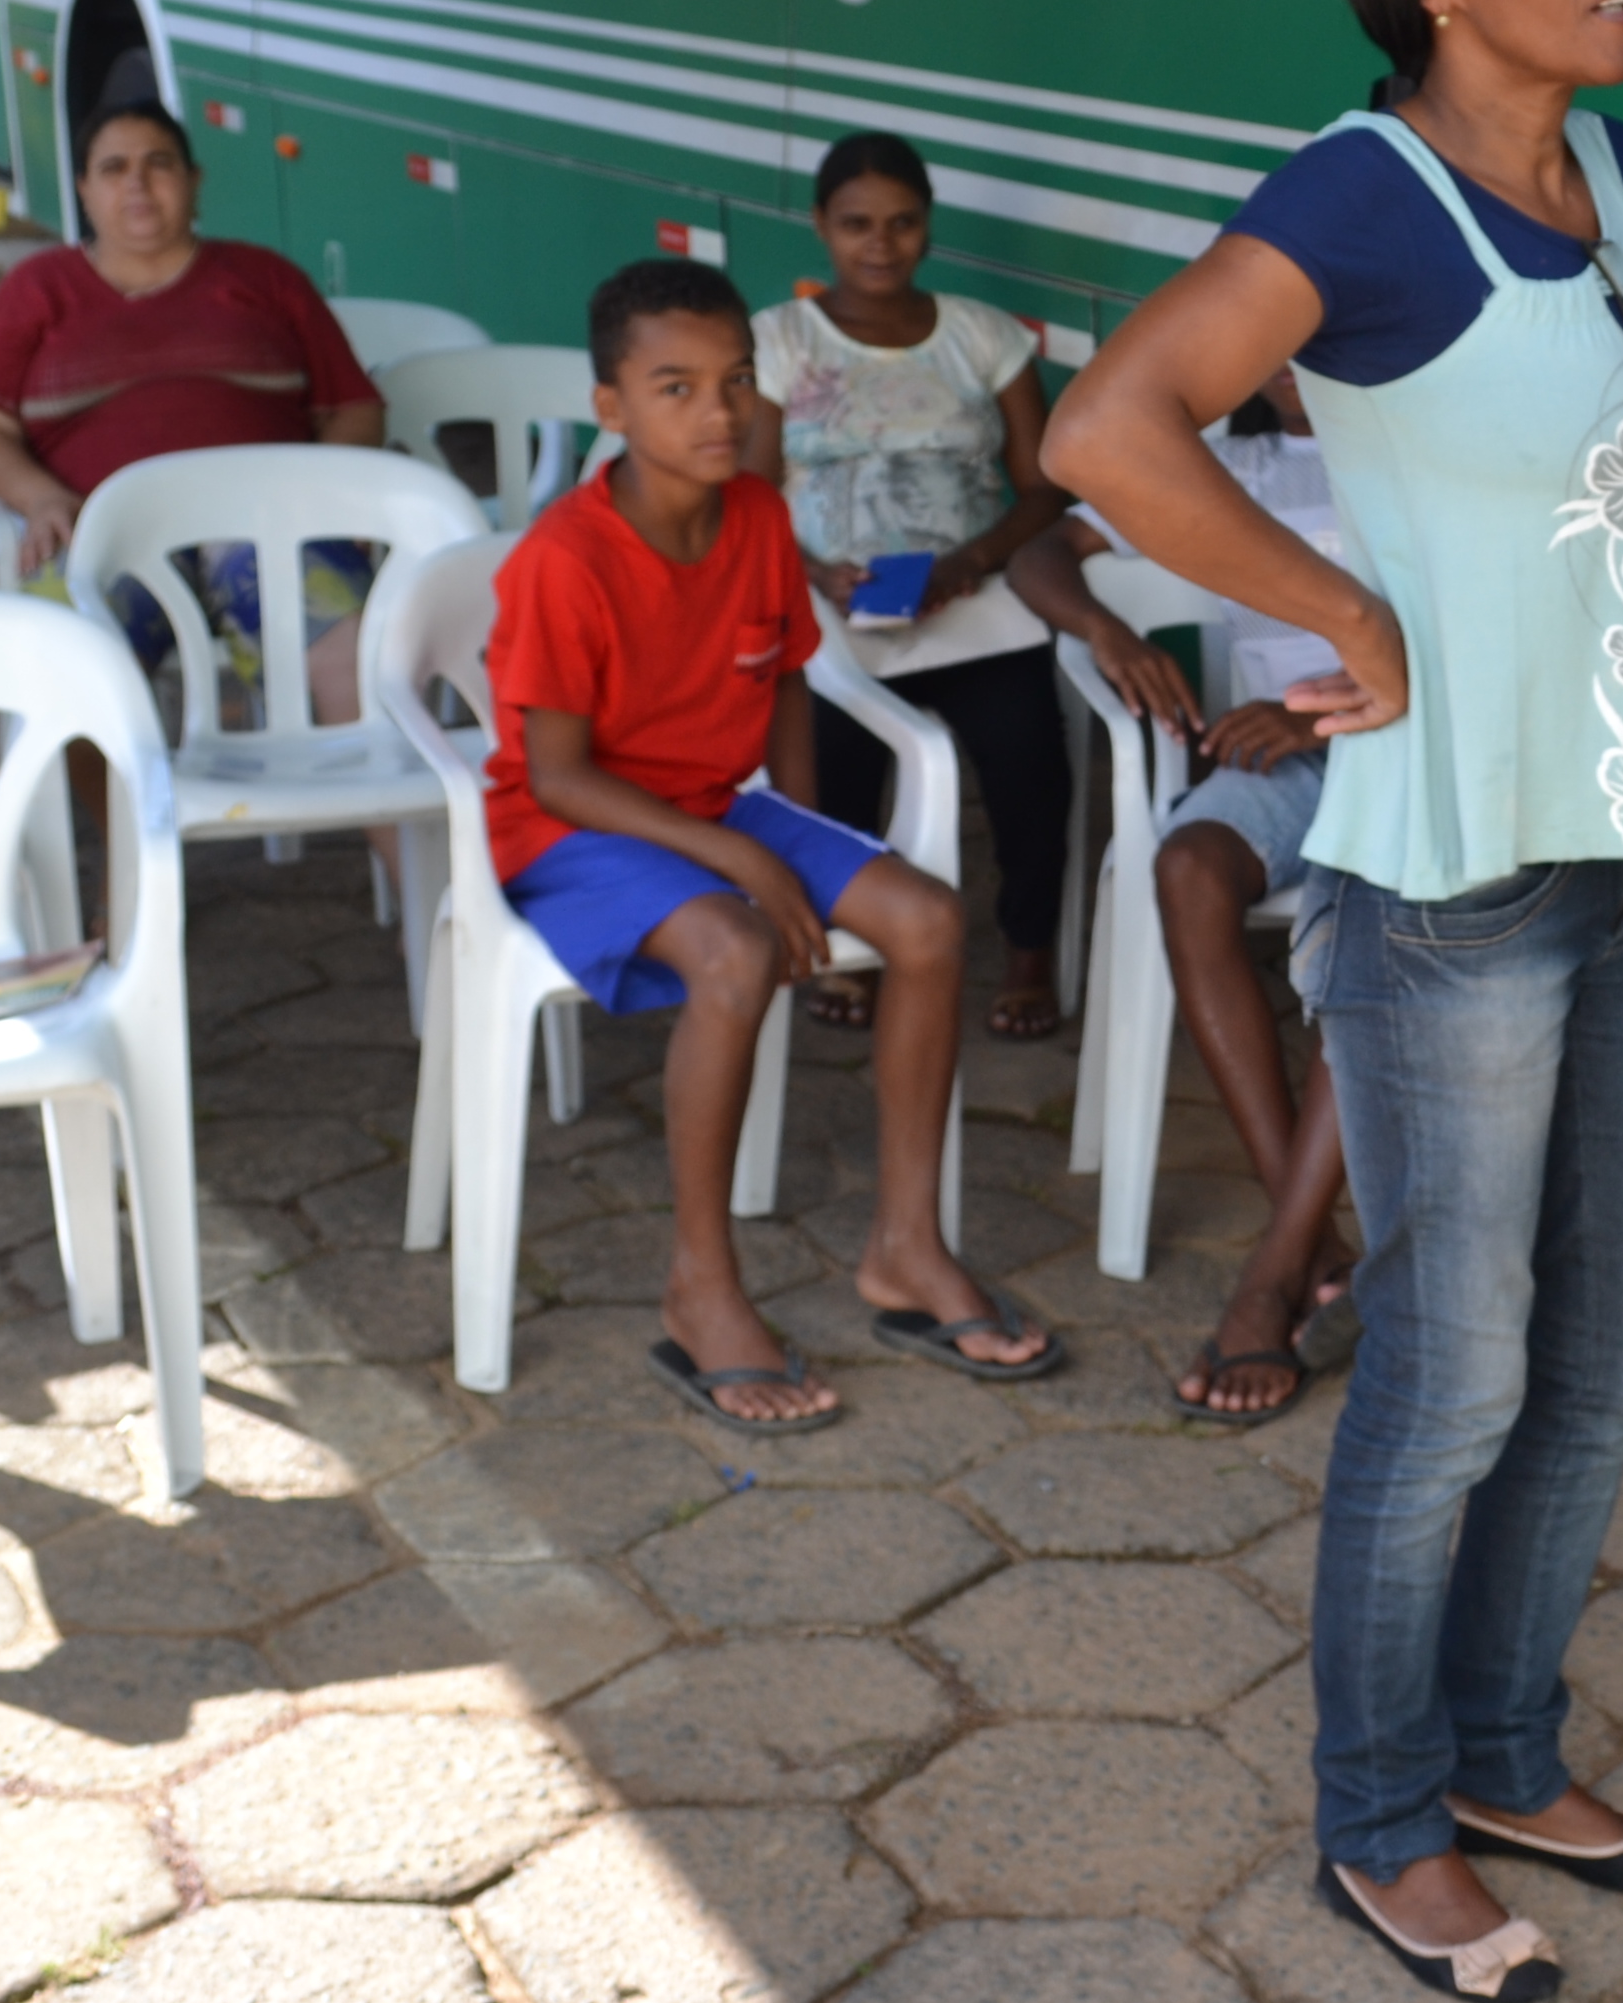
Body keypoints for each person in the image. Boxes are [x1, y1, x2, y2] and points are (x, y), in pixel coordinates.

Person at [1047, 0, 1623, 2003]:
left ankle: (1501, 1753)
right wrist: (1337, 613)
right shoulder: (1367, 203)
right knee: (1454, 1373)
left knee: (1622, 1353)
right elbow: (1110, 428)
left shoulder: (1618, 172)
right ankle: (1379, 1822)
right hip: (1459, 884)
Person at [489, 254, 1063, 1426]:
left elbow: (788, 681)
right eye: (676, 388)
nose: (719, 411)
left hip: (712, 806)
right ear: (611, 408)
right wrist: (752, 866)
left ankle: (906, 1245)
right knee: (735, 950)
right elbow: (557, 772)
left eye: (736, 382)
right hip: (572, 825)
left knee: (927, 918)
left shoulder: (757, 515)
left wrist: (800, 837)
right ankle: (700, 1286)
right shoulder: (565, 558)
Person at [1007, 367, 1355, 1421]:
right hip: (1282, 770)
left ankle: (1272, 1272)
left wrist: (1322, 718)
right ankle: (1317, 1245)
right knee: (1187, 866)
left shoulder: (1415, 460)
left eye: (1319, 343)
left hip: (1408, 758)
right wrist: (1108, 633)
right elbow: (1040, 552)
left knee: (1382, 914)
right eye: (1278, 350)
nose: (1296, 372)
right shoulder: (1225, 469)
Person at [742, 133, 1075, 1040]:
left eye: (901, 224)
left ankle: (1027, 956)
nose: (879, 245)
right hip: (834, 609)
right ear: (820, 227)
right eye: (856, 225)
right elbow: (749, 493)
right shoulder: (779, 341)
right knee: (837, 772)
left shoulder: (983, 337)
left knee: (1031, 769)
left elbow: (1044, 486)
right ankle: (853, 946)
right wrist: (815, 573)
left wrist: (969, 560)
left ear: (929, 226)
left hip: (971, 603)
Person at [0, 98, 386, 713]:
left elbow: (354, 407)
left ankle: (378, 809)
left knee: (357, 650)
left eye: (159, 163)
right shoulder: (35, 291)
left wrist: (317, 497)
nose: (137, 183)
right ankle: (118, 815)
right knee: (61, 665)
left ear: (193, 181)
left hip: (264, 522)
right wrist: (38, 497)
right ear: (84, 189)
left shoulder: (267, 280)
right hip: (105, 525)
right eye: (113, 168)